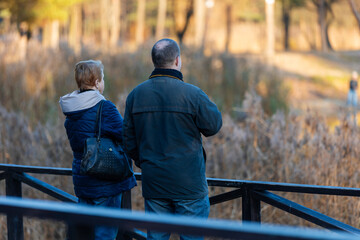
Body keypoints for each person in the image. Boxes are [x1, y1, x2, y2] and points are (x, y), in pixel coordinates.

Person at [123, 39, 222, 240]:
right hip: (189, 184)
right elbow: (213, 126)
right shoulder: (192, 94)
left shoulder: (135, 95)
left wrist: (146, 163)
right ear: (178, 61)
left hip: (155, 182)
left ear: (154, 62)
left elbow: (128, 140)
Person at [59, 60, 137, 240]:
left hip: (83, 180)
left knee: (86, 235)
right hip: (105, 182)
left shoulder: (71, 111)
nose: (103, 82)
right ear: (96, 82)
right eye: (102, 78)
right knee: (105, 234)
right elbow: (126, 136)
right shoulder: (104, 107)